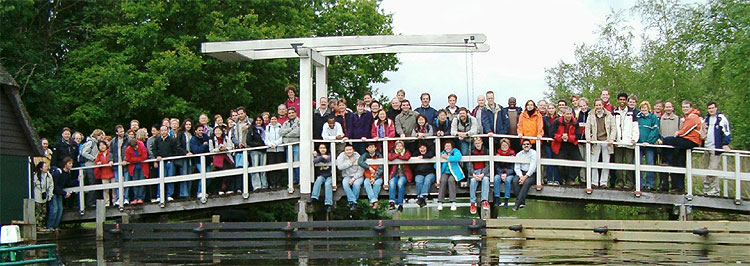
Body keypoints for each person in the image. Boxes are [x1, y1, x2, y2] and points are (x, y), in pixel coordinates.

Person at [662, 100, 703, 193]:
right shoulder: (688, 117)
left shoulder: (692, 117)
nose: (685, 109)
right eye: (683, 107)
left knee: (667, 140)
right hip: (689, 140)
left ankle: (666, 160)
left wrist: (678, 133)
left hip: (691, 140)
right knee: (680, 162)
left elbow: (685, 130)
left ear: (691, 107)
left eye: (686, 107)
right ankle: (679, 187)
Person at [701, 101, 731, 196]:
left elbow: (726, 131)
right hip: (706, 146)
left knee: (712, 168)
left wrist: (725, 143)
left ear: (716, 108)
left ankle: (706, 184)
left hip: (715, 147)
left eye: (712, 108)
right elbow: (702, 132)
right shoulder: (706, 119)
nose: (711, 110)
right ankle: (715, 189)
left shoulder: (721, 118)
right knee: (710, 169)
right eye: (709, 108)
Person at [585, 98, 616, 188]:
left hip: (606, 141)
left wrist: (611, 139)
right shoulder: (591, 115)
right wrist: (588, 138)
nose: (598, 107)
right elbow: (587, 127)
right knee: (594, 162)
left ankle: (603, 182)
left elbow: (613, 128)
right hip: (595, 141)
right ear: (594, 106)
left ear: (603, 105)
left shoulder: (609, 115)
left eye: (599, 105)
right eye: (596, 105)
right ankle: (594, 182)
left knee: (606, 162)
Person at [612, 93, 639, 189]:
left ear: (626, 100)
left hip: (628, 142)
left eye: (624, 99)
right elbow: (613, 127)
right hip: (618, 142)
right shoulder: (614, 112)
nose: (622, 101)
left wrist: (634, 139)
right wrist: (613, 139)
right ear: (618, 100)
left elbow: (635, 127)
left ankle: (629, 182)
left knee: (629, 163)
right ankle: (620, 182)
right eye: (620, 99)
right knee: (618, 163)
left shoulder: (632, 113)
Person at [636, 101, 660, 191]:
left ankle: (649, 183)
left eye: (645, 108)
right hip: (639, 144)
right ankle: (640, 183)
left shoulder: (653, 117)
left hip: (649, 145)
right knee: (637, 163)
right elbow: (634, 129)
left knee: (650, 163)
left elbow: (655, 131)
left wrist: (648, 141)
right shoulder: (638, 117)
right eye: (642, 108)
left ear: (648, 108)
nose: (644, 109)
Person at [658, 101, 681, 191]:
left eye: (670, 107)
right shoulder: (660, 119)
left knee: (674, 166)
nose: (668, 109)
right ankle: (664, 185)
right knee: (663, 165)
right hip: (664, 146)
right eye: (666, 107)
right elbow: (659, 131)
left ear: (673, 108)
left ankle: (674, 186)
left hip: (674, 146)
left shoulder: (678, 119)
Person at [151, 125, 179, 201]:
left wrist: (169, 157)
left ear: (167, 131)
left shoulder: (172, 140)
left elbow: (175, 150)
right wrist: (157, 156)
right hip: (161, 162)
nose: (163, 132)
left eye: (165, 130)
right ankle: (159, 195)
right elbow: (154, 149)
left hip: (170, 161)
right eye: (162, 130)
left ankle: (169, 195)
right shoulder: (157, 140)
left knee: (170, 178)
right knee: (161, 178)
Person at [80, 129, 105, 207]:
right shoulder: (91, 142)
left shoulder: (96, 143)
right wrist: (94, 158)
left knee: (96, 183)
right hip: (90, 166)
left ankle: (95, 201)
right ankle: (90, 203)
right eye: (100, 135)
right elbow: (84, 152)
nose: (102, 137)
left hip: (95, 166)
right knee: (92, 183)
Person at [452, 107, 480, 175]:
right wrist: (459, 134)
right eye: (460, 113)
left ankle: (475, 172)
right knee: (465, 154)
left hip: (473, 140)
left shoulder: (472, 119)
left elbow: (474, 130)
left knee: (474, 154)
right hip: (463, 141)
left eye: (463, 113)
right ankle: (467, 173)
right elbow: (452, 131)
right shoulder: (456, 120)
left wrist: (466, 134)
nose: (462, 115)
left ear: (467, 113)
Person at [48, 157, 74, 230]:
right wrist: (64, 193)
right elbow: (55, 185)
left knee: (60, 209)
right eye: (69, 163)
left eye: (72, 163)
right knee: (54, 209)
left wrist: (78, 180)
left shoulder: (68, 173)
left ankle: (55, 226)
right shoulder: (58, 172)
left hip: (59, 193)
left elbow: (67, 184)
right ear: (65, 164)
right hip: (54, 192)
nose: (71, 165)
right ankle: (49, 226)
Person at [386, 140, 412, 212]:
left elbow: (407, 157)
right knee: (391, 182)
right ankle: (392, 202)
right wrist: (399, 155)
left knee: (400, 183)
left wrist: (397, 157)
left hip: (404, 174)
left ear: (403, 147)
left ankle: (400, 203)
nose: (399, 147)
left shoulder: (406, 151)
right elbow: (390, 157)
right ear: (395, 146)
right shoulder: (392, 152)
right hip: (394, 174)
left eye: (400, 146)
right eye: (397, 146)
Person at [513, 139, 538, 211]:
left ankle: (517, 203)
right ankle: (522, 202)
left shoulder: (534, 153)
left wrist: (525, 177)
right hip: (521, 173)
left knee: (526, 183)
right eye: (524, 144)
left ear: (530, 145)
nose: (526, 145)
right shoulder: (519, 154)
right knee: (515, 181)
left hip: (531, 174)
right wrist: (521, 176)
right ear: (522, 146)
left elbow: (533, 166)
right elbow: (517, 167)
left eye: (527, 144)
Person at [437, 140, 463, 211]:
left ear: (452, 147)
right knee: (443, 180)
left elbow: (458, 157)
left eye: (449, 146)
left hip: (454, 173)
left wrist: (448, 158)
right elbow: (436, 165)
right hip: (445, 172)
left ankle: (453, 202)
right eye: (446, 146)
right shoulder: (442, 153)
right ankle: (440, 201)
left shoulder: (455, 151)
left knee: (451, 180)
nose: (448, 147)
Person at [209, 126, 235, 194]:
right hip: (218, 158)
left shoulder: (226, 138)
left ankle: (229, 188)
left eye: (219, 130)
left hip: (227, 157)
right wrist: (219, 149)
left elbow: (231, 147)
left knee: (230, 171)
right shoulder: (211, 140)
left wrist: (225, 148)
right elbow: (211, 150)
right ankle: (221, 189)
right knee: (221, 173)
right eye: (216, 131)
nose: (218, 132)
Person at [337, 144, 364, 211]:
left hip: (358, 176)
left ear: (353, 150)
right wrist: (350, 162)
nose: (349, 151)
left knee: (356, 184)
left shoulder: (357, 156)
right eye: (347, 150)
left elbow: (361, 170)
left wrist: (354, 178)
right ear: (344, 151)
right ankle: (353, 201)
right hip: (347, 175)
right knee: (345, 183)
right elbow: (340, 167)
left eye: (350, 150)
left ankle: (352, 202)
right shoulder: (341, 156)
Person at [358, 142, 384, 209]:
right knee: (366, 183)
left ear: (375, 148)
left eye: (373, 147)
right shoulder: (365, 155)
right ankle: (374, 200)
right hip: (368, 175)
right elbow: (360, 161)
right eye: (369, 147)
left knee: (377, 184)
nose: (371, 149)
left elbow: (381, 168)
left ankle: (373, 200)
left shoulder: (379, 155)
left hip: (378, 176)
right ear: (367, 148)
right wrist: (368, 167)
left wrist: (375, 178)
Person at [109, 125, 130, 205]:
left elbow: (129, 150)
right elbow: (111, 152)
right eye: (120, 131)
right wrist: (110, 160)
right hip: (117, 164)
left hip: (125, 164)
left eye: (123, 131)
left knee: (126, 182)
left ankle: (126, 198)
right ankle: (119, 198)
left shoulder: (128, 140)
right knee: (118, 182)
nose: (122, 133)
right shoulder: (113, 141)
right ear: (116, 132)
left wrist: (126, 159)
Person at [468, 137, 490, 214]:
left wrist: (483, 173)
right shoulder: (471, 151)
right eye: (476, 143)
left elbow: (488, 164)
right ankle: (472, 203)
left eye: (479, 143)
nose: (477, 144)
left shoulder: (486, 151)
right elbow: (469, 164)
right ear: (474, 144)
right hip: (475, 172)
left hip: (484, 172)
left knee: (486, 180)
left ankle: (484, 201)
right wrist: (473, 174)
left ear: (482, 143)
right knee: (473, 181)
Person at [310, 143, 333, 213]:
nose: (322, 149)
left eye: (324, 148)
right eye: (321, 148)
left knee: (327, 184)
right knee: (318, 180)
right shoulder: (318, 156)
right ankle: (314, 197)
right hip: (321, 175)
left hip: (329, 175)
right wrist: (321, 157)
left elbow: (329, 159)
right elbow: (315, 161)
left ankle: (328, 203)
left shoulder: (330, 154)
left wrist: (320, 158)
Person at [190, 123, 211, 198]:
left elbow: (210, 148)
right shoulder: (193, 139)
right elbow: (196, 150)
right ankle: (200, 192)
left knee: (208, 176)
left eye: (202, 130)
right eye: (199, 130)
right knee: (203, 175)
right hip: (199, 161)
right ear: (195, 131)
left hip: (207, 160)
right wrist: (203, 145)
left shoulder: (205, 136)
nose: (201, 131)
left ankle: (205, 191)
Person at [280, 108, 301, 184]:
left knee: (296, 162)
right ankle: (292, 181)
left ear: (295, 113)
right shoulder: (286, 123)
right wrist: (291, 129)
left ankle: (298, 180)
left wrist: (286, 135)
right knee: (289, 163)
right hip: (288, 146)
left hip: (296, 145)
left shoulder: (299, 121)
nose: (291, 114)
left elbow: (297, 132)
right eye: (289, 113)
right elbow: (281, 132)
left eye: (292, 112)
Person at [125, 138, 149, 205]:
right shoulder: (128, 149)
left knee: (142, 182)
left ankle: (141, 198)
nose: (136, 148)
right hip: (134, 168)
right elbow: (128, 159)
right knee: (135, 183)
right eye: (134, 147)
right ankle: (135, 198)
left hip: (142, 167)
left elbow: (144, 157)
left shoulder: (141, 145)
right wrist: (138, 159)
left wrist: (134, 159)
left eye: (136, 146)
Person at [247, 116, 268, 191]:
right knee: (255, 168)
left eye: (260, 120)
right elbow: (248, 141)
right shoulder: (252, 130)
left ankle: (264, 185)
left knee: (263, 168)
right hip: (255, 151)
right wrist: (259, 145)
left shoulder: (265, 129)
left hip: (264, 151)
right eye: (257, 120)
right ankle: (257, 186)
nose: (258, 122)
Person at [494, 138, 516, 208]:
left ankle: (506, 200)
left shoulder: (512, 154)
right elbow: (497, 167)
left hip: (509, 173)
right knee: (496, 178)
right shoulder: (497, 154)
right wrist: (501, 174)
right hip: (500, 173)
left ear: (508, 145)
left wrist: (506, 174)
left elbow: (513, 168)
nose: (504, 147)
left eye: (506, 145)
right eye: (503, 145)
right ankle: (497, 198)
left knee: (508, 180)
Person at [264, 116, 285, 190]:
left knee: (279, 166)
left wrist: (276, 143)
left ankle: (278, 183)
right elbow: (265, 138)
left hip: (279, 149)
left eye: (275, 119)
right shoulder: (267, 128)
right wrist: (270, 144)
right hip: (270, 150)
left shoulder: (280, 126)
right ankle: (272, 183)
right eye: (272, 119)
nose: (273, 120)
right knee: (271, 166)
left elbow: (282, 137)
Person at [412, 142, 435, 208]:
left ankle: (422, 197)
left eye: (424, 147)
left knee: (428, 179)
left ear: (427, 148)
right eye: (420, 148)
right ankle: (422, 198)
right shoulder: (416, 154)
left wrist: (423, 157)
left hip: (430, 173)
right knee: (418, 180)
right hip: (419, 173)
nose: (422, 149)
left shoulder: (430, 153)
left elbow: (431, 154)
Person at [175, 119, 195, 198]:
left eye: (189, 124)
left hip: (191, 156)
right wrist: (185, 153)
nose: (188, 126)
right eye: (187, 124)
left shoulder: (192, 134)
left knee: (190, 174)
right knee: (184, 174)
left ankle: (189, 193)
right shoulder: (180, 134)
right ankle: (183, 194)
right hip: (184, 157)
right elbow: (178, 146)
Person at [33, 162, 54, 231]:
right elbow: (34, 185)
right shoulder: (36, 176)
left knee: (44, 211)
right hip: (38, 195)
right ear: (41, 168)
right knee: (38, 211)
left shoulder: (48, 175)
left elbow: (51, 185)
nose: (46, 168)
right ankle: (37, 226)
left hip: (45, 195)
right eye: (44, 167)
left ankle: (42, 225)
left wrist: (50, 195)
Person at [543, 104, 560, 185]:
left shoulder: (559, 118)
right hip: (547, 142)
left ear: (555, 109)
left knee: (556, 160)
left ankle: (557, 179)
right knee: (549, 159)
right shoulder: (544, 119)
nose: (551, 110)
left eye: (552, 108)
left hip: (557, 142)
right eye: (549, 108)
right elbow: (542, 129)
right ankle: (549, 179)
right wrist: (545, 137)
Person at [94, 141, 114, 206]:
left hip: (112, 172)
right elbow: (97, 162)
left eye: (103, 145)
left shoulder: (110, 152)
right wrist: (98, 163)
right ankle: (106, 203)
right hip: (104, 174)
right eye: (100, 145)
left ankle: (115, 201)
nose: (102, 146)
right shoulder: (99, 155)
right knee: (105, 189)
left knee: (114, 188)